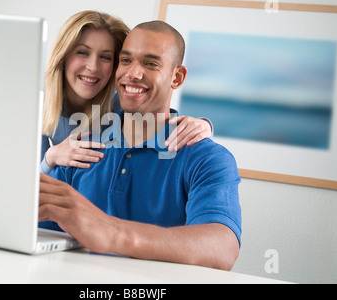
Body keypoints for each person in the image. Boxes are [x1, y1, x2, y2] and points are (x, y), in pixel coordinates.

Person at [38, 20, 242, 271]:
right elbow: (35, 235)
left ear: (176, 77)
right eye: (125, 61)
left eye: (150, 63)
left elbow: (223, 248)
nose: (133, 74)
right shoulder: (78, 149)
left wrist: (111, 232)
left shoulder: (206, 159)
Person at [40, 11, 213, 174]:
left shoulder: (120, 102)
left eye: (106, 57)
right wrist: (50, 158)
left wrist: (204, 125)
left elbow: (159, 117)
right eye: (83, 52)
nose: (92, 67)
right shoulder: (36, 103)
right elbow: (27, 186)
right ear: (63, 56)